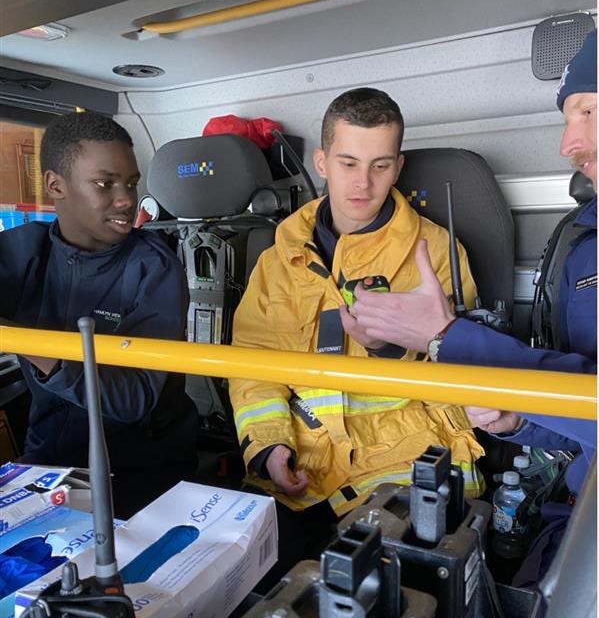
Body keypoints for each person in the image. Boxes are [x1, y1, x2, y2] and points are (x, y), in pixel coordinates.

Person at [350, 32, 597, 584]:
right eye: (567, 117)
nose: (568, 144)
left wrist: (449, 339)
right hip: (577, 515)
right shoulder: (584, 244)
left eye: (587, 110)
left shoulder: (436, 248)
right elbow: (584, 419)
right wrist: (517, 421)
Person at [229, 87, 485, 578]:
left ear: (399, 165)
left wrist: (397, 350)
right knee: (241, 585)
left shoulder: (436, 252)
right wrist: (267, 447)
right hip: (304, 475)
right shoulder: (278, 260)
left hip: (407, 469)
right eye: (348, 163)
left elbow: (470, 374)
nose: (364, 183)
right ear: (321, 161)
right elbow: (251, 364)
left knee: (382, 598)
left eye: (381, 165)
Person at [0, 112, 200, 518]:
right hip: (51, 457)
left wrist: (21, 340)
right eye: (104, 184)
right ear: (56, 186)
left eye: (130, 183)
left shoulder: (153, 267)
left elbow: (133, 400)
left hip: (141, 469)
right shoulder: (22, 251)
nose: (126, 198)